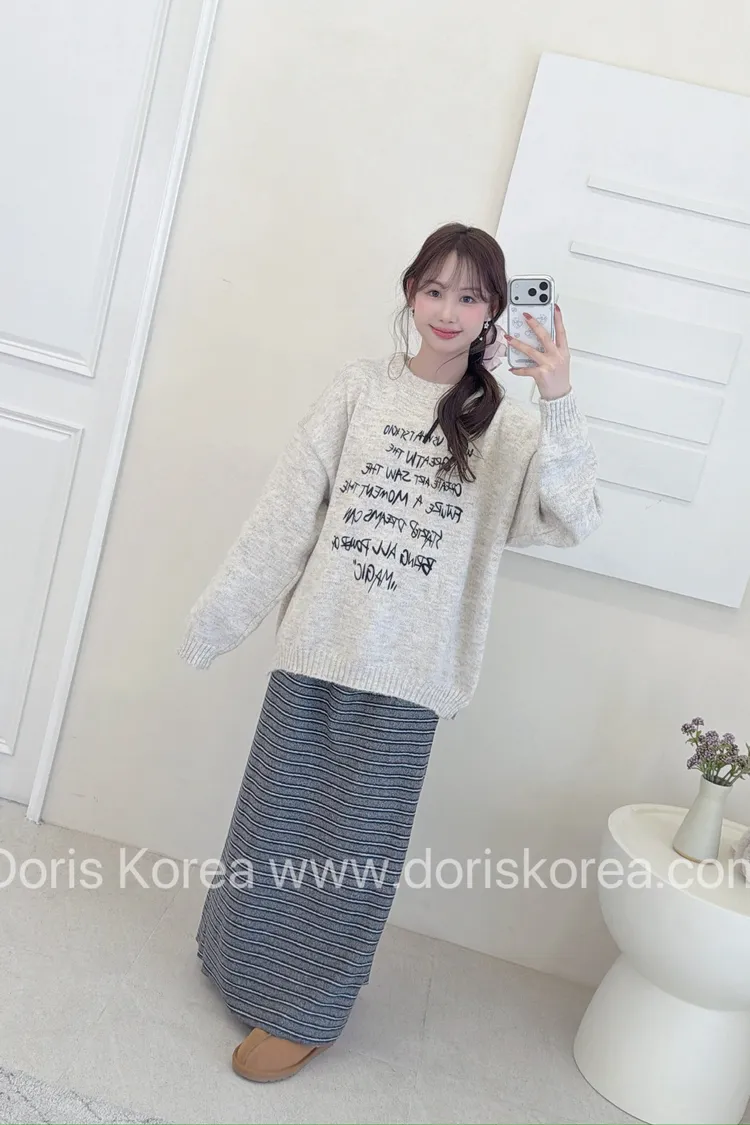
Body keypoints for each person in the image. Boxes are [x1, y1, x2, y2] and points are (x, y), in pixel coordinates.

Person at [177, 221, 602, 1082]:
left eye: (470, 296)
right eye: (434, 289)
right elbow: (287, 514)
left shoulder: (508, 428)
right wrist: (220, 618)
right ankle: (238, 963)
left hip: (408, 676)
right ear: (410, 292)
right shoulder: (358, 389)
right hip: (316, 647)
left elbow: (573, 519)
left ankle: (304, 1010)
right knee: (273, 822)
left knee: (352, 854)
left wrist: (558, 397)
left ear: (494, 310)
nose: (448, 310)